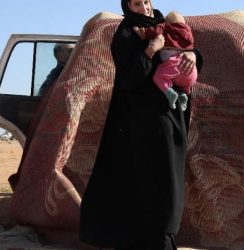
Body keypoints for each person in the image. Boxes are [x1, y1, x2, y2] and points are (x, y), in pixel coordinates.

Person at [79, 0, 203, 249]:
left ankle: (159, 237)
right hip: (141, 122)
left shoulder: (164, 24)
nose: (145, 8)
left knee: (169, 180)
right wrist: (151, 49)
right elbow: (131, 77)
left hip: (172, 116)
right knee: (151, 181)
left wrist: (191, 56)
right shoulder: (126, 34)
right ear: (128, 7)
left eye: (147, 1)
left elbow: (186, 49)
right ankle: (159, 240)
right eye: (137, 4)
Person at [133, 10, 197, 111]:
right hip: (192, 73)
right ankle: (184, 94)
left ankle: (169, 93)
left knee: (158, 76)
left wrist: (142, 34)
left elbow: (154, 31)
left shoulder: (166, 27)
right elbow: (192, 48)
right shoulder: (188, 32)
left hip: (175, 65)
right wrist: (192, 53)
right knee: (183, 86)